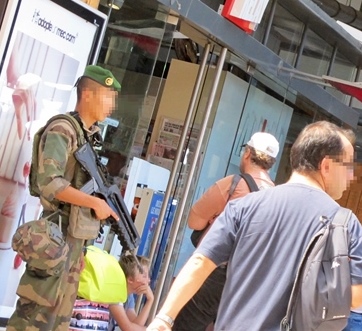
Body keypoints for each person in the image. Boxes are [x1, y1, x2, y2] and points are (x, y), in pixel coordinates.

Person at [147, 121, 362, 331]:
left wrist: (165, 318)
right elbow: (355, 297)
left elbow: (200, 262)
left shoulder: (245, 206)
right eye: (348, 166)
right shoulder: (345, 224)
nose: (351, 176)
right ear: (325, 166)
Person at [6, 65, 121, 331]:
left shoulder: (88, 137)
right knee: (32, 321)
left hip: (72, 245)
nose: (111, 106)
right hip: (55, 238)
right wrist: (94, 203)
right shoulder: (63, 130)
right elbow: (49, 183)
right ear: (88, 95)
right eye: (107, 97)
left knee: (57, 322)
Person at [173, 132, 280, 331]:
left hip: (214, 271)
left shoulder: (234, 184)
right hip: (247, 282)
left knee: (184, 323)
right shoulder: (278, 198)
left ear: (247, 153)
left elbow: (194, 221)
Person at [108, 255, 154, 331]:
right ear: (130, 279)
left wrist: (150, 300)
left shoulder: (129, 296)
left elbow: (136, 325)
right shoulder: (115, 293)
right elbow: (128, 328)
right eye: (144, 276)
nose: (148, 280)